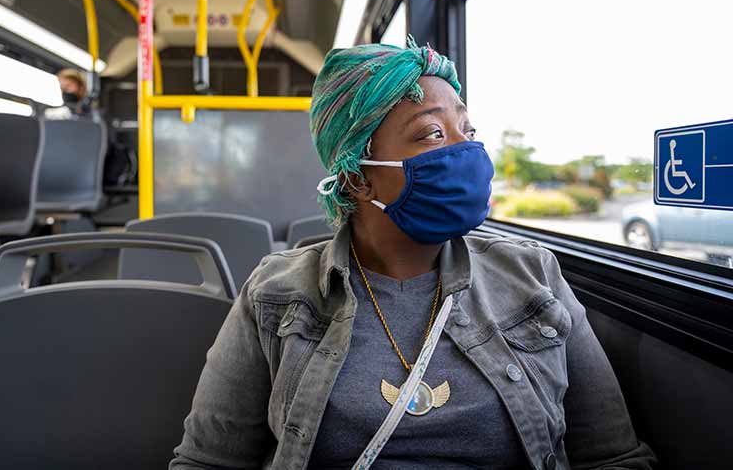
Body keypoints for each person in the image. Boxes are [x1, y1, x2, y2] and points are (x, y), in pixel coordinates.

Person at [170, 39, 656, 469]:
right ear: (357, 177)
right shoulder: (275, 293)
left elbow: (613, 457)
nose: (466, 152)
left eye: (467, 130)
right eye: (432, 134)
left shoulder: (532, 275)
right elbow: (208, 461)